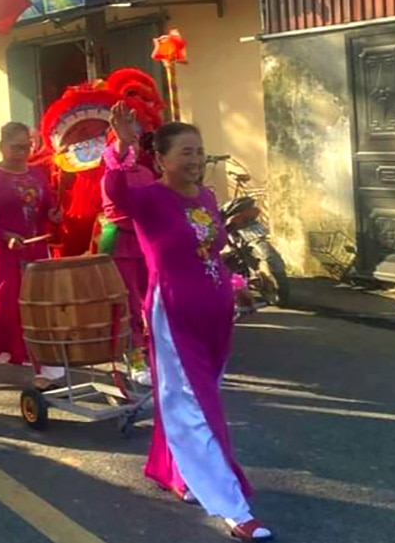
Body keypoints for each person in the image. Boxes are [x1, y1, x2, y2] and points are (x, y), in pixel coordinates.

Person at [105, 105, 271, 541]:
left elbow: (211, 250)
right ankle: (234, 508)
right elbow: (115, 191)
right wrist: (121, 145)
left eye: (199, 152)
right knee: (197, 407)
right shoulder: (148, 199)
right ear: (160, 159)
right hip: (174, 312)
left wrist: (236, 285)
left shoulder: (207, 197)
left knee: (193, 400)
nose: (195, 161)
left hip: (215, 312)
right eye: (185, 152)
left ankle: (172, 470)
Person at [0, 122, 63, 390]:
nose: (21, 152)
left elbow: (47, 208)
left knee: (40, 307)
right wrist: (5, 236)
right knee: (2, 308)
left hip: (37, 251)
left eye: (26, 146)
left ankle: (45, 367)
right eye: (15, 147)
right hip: (5, 254)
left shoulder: (38, 173)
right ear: (2, 146)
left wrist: (53, 216)